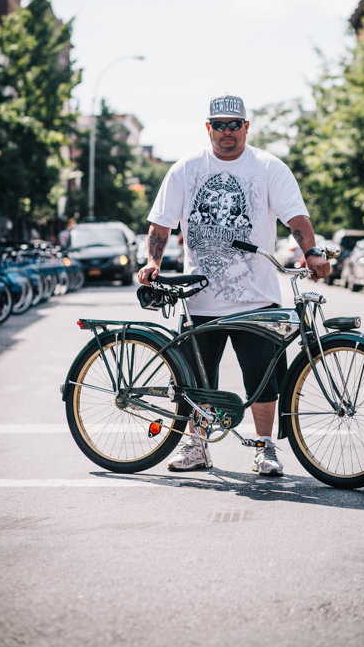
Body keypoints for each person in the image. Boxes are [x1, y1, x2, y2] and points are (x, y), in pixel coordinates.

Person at [138, 94, 329, 475]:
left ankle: (264, 447)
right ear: (208, 128)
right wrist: (152, 261)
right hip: (199, 297)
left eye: (234, 125)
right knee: (195, 380)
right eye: (219, 125)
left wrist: (312, 252)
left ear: (246, 126)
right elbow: (161, 224)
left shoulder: (268, 167)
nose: (227, 132)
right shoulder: (185, 169)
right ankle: (198, 447)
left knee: (262, 381)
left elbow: (297, 218)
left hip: (256, 298)